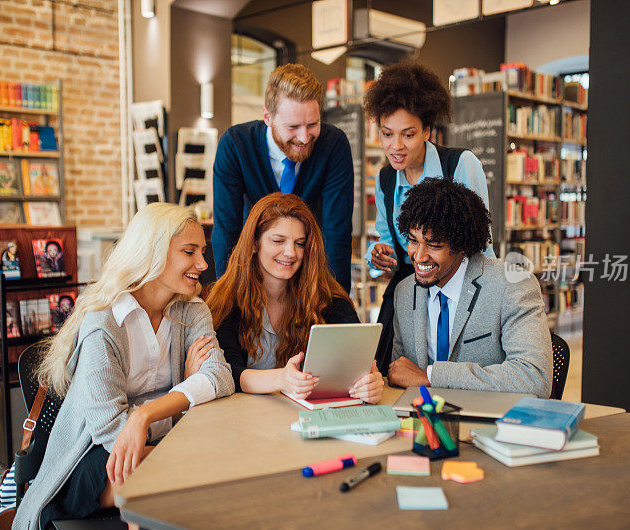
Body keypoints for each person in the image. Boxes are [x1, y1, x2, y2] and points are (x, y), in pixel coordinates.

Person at [11, 203, 235, 530]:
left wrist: (146, 415)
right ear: (153, 252)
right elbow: (112, 431)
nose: (203, 264)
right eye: (190, 252)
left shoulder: (192, 310)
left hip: (153, 448)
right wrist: (184, 394)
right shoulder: (105, 322)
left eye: (202, 251)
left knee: (201, 470)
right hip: (90, 459)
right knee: (180, 476)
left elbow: (220, 377)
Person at [363, 61, 495, 376]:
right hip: (407, 295)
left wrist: (486, 307)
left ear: (426, 130)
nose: (395, 146)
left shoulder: (460, 165)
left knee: (459, 381)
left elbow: (481, 245)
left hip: (459, 293)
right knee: (391, 376)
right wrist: (380, 254)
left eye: (408, 134)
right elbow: (387, 237)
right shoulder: (385, 180)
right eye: (386, 134)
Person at [207, 193, 383, 404]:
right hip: (244, 421)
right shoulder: (227, 299)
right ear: (254, 243)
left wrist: (371, 383)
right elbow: (227, 372)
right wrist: (281, 378)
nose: (290, 252)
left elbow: (357, 364)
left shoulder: (330, 299)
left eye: (300, 243)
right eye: (278, 240)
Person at [387, 179, 551, 397]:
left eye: (434, 245)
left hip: (491, 425)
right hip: (424, 422)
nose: (418, 256)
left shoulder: (513, 285)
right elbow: (401, 372)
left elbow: (534, 378)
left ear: (461, 245)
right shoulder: (405, 292)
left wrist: (431, 376)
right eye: (413, 241)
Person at [212, 63, 354, 291]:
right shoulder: (235, 145)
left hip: (310, 274)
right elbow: (227, 230)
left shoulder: (334, 145)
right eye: (293, 126)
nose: (305, 137)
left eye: (313, 124)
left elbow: (337, 232)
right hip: (254, 273)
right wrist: (227, 297)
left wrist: (336, 304)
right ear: (268, 117)